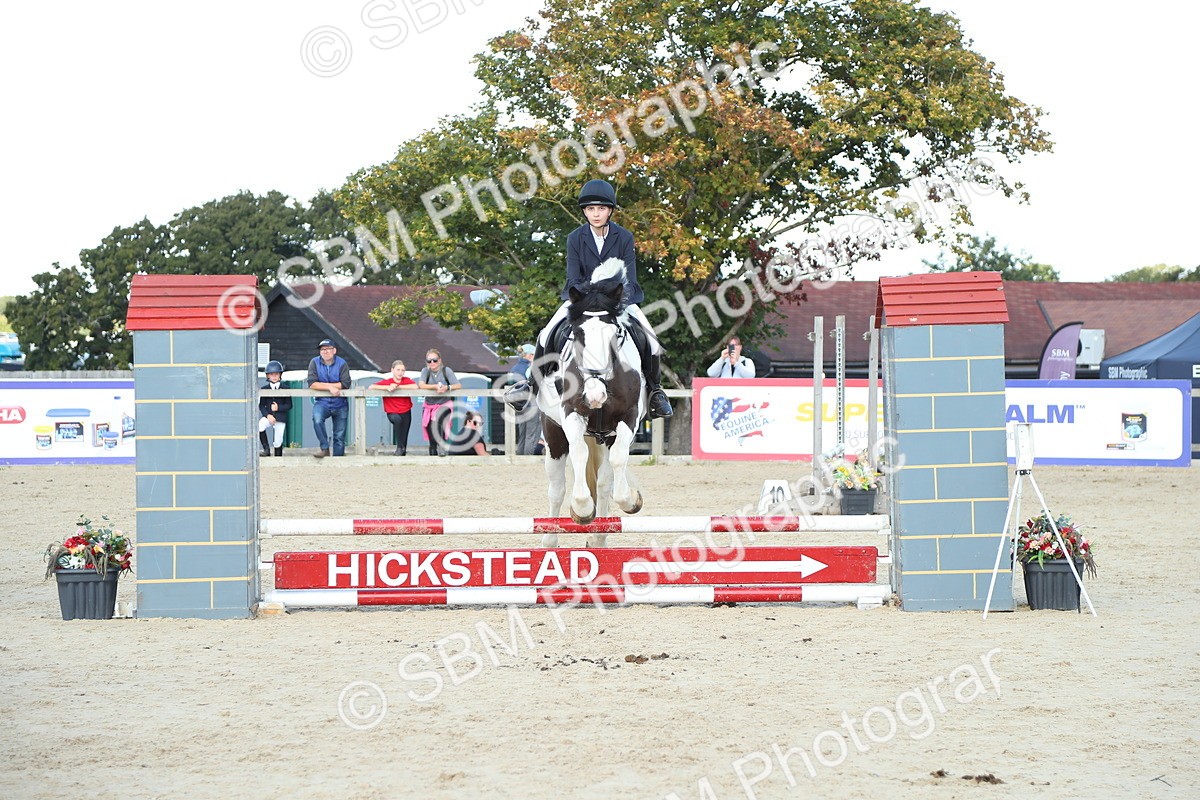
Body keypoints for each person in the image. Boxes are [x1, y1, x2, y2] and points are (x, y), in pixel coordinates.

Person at [505, 178, 673, 419]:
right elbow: (573, 279)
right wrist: (588, 296)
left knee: (651, 340)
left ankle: (656, 392)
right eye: (591, 209)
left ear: (610, 211)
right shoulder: (575, 238)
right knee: (547, 332)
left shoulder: (624, 237)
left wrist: (615, 299)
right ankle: (530, 385)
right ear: (585, 211)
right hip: (581, 300)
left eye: (601, 209)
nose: (596, 214)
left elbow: (630, 280)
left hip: (618, 302)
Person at [307, 338, 351, 458]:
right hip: (322, 402)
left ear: (334, 350)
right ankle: (324, 448)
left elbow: (346, 383)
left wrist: (324, 386)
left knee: (339, 435)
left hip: (340, 403)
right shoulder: (314, 362)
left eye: (328, 349)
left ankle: (338, 459)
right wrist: (330, 387)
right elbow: (311, 383)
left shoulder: (342, 363)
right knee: (317, 419)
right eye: (322, 350)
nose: (325, 352)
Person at [418, 348, 461, 456]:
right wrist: (435, 387)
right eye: (429, 361)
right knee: (428, 426)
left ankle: (442, 446)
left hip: (444, 403)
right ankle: (433, 448)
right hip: (429, 404)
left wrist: (447, 387)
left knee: (438, 422)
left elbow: (458, 385)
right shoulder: (425, 371)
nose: (432, 362)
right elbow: (421, 385)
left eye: (435, 360)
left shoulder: (447, 371)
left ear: (440, 360)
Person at [371, 359, 416, 456]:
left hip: (406, 411)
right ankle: (399, 447)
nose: (400, 373)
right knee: (397, 420)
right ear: (392, 370)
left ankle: (402, 451)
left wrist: (398, 387)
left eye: (402, 370)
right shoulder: (387, 382)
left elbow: (415, 386)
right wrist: (387, 387)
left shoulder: (406, 380)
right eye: (398, 370)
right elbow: (371, 387)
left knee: (404, 433)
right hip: (392, 412)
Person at [510, 343, 542, 455]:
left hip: (519, 405)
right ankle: (529, 460)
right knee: (532, 435)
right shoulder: (531, 368)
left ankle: (520, 458)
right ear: (530, 355)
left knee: (522, 435)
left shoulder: (514, 368)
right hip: (531, 404)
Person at [258, 360, 292, 457]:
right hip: (269, 416)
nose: (274, 376)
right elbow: (261, 405)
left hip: (280, 417)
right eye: (271, 374)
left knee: (278, 440)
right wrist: (267, 415)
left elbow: (289, 405)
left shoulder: (286, 388)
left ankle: (278, 457)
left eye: (276, 374)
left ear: (280, 375)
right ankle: (266, 449)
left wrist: (278, 408)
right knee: (260, 425)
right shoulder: (264, 389)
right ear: (267, 376)